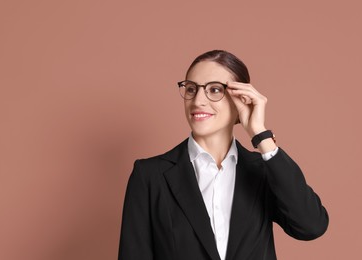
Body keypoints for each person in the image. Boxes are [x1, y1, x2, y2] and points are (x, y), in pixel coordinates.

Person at [118, 50, 329, 260]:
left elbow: (311, 225)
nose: (198, 100)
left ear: (241, 99)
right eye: (191, 89)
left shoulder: (264, 170)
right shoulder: (150, 175)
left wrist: (261, 135)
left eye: (215, 89)